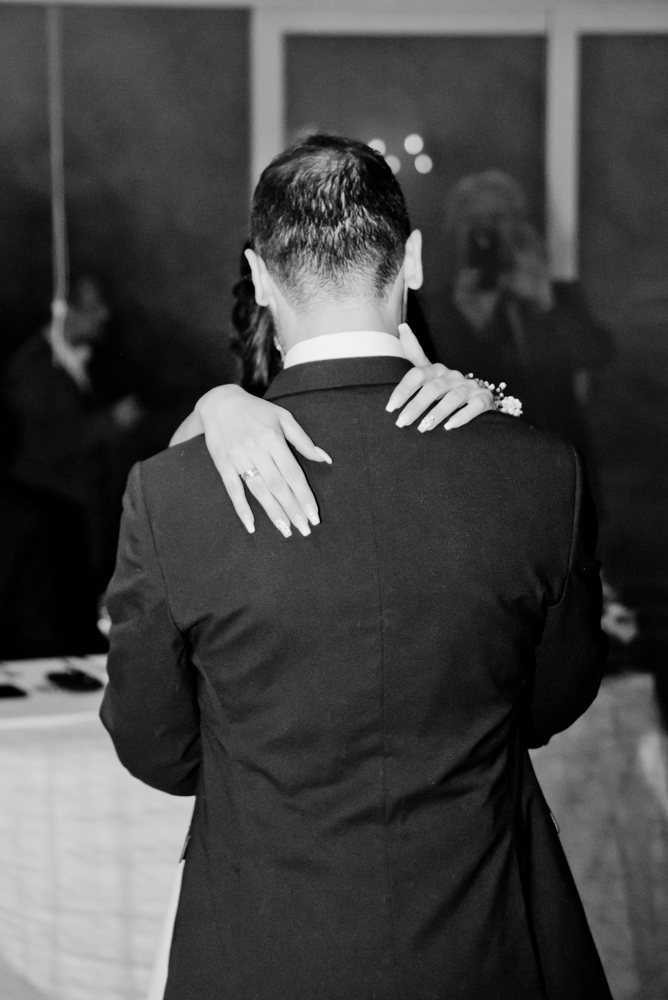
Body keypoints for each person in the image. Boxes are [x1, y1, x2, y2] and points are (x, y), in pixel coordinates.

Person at [101, 135, 610, 1000]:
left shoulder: (173, 493)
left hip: (265, 953)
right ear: (413, 261)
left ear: (260, 278)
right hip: (486, 944)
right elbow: (552, 700)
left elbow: (156, 747)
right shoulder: (540, 472)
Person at [1, 276, 142, 650]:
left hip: (81, 520)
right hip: (49, 527)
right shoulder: (30, 368)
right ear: (64, 310)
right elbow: (38, 444)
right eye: (94, 306)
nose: (105, 314)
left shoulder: (81, 363)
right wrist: (110, 422)